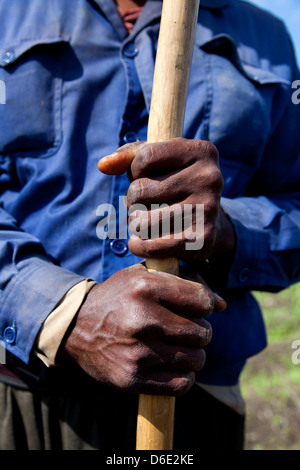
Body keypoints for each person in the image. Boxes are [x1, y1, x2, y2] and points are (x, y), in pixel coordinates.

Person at [0, 0, 299, 451]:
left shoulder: (268, 37)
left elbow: (294, 204)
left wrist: (225, 228)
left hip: (193, 405)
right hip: (22, 393)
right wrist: (66, 314)